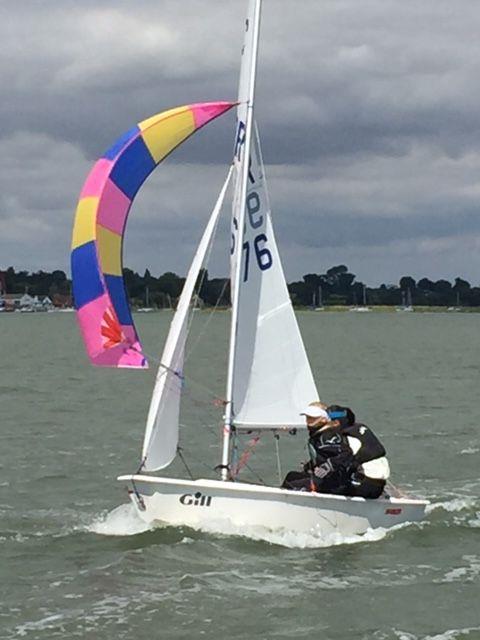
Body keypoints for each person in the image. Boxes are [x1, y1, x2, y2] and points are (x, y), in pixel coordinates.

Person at [281, 403, 355, 494]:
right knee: (291, 476)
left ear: (324, 419)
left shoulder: (327, 435)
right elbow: (324, 455)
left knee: (292, 484)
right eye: (307, 417)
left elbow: (346, 453)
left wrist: (328, 466)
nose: (308, 421)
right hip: (323, 479)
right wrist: (309, 465)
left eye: (312, 418)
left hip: (333, 482)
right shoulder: (318, 434)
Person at [326, 404, 390, 499]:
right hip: (379, 483)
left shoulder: (349, 438)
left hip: (368, 484)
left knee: (328, 486)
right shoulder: (360, 429)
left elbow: (348, 461)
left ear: (336, 423)